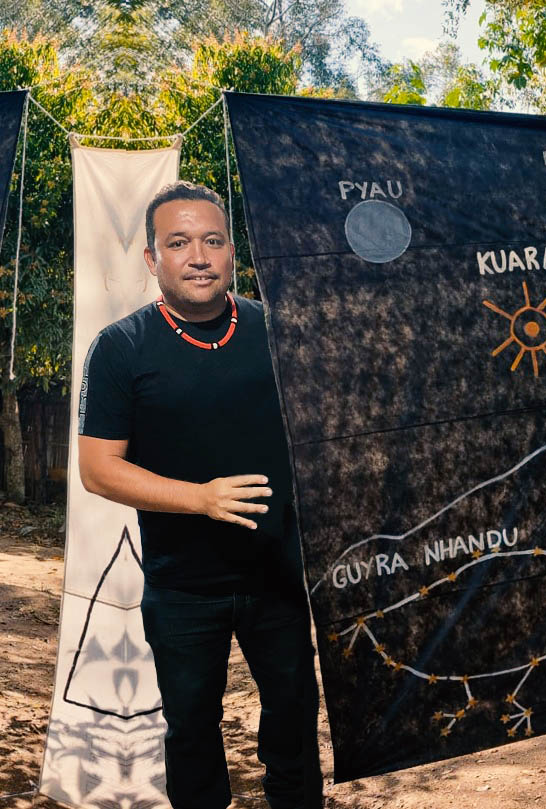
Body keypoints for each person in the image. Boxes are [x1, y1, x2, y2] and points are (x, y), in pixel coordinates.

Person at [77, 181, 323, 809]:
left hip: (279, 576)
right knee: (192, 737)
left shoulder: (278, 332)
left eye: (212, 241)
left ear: (232, 252)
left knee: (294, 732)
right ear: (151, 258)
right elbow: (98, 469)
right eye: (179, 242)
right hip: (182, 585)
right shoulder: (120, 349)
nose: (198, 256)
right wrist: (202, 499)